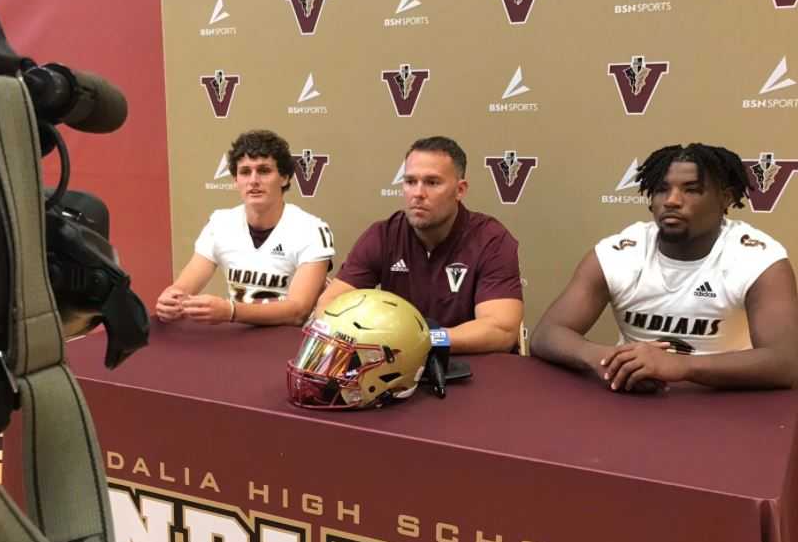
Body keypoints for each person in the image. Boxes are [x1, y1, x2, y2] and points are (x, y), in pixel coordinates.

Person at [531, 143, 798, 392]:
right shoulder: (619, 253)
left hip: (723, 396)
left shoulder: (759, 259)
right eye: (661, 189)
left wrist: (680, 367)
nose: (671, 200)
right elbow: (547, 334)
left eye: (691, 190)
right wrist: (604, 360)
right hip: (635, 393)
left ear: (725, 199)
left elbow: (786, 362)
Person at [314, 136, 523, 353]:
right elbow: (330, 305)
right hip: (394, 364)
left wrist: (422, 339)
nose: (418, 193)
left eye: (432, 182)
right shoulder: (383, 235)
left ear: (460, 190)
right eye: (410, 181)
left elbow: (500, 329)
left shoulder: (491, 239)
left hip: (472, 367)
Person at [156, 130, 334, 326]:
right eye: (245, 172)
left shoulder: (310, 229)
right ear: (235, 181)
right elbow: (184, 287)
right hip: (238, 338)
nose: (253, 180)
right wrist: (171, 299)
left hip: (290, 341)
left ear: (284, 178)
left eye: (264, 171)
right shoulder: (220, 222)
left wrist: (231, 311)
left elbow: (298, 311)